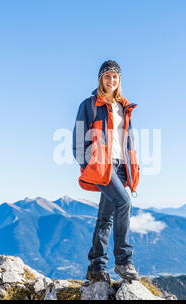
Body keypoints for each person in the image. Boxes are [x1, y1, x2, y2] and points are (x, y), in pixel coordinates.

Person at [72, 60, 140, 282]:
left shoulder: (124, 107)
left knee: (105, 219)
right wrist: (87, 165)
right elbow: (78, 140)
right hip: (102, 166)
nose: (111, 80)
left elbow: (128, 141)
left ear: (120, 80)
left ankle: (96, 267)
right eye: (107, 76)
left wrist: (134, 167)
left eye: (115, 76)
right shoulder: (89, 104)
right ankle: (124, 261)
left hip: (121, 167)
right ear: (100, 79)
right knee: (125, 203)